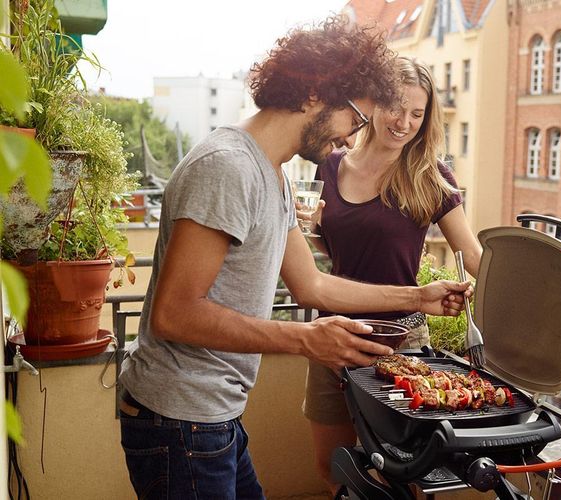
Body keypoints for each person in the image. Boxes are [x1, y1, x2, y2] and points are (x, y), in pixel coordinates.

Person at [117, 20, 471, 500]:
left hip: (213, 416)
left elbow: (313, 287)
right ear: (314, 94)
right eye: (356, 120)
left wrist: (418, 297)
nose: (351, 139)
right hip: (180, 420)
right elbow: (175, 313)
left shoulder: (274, 175)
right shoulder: (227, 166)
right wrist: (306, 338)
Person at [301, 57, 483, 493]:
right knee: (332, 467)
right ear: (373, 105)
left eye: (417, 114)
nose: (404, 123)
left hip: (400, 342)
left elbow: (474, 255)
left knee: (404, 478)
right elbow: (329, 252)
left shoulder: (432, 176)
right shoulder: (330, 166)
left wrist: (532, 293)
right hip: (333, 333)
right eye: (395, 108)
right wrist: (310, 229)